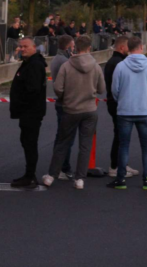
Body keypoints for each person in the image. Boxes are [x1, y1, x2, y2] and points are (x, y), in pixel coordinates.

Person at [43, 36, 105, 190]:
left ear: (74, 48)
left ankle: (51, 175)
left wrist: (66, 97)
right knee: (85, 145)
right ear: (89, 47)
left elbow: (58, 88)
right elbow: (102, 89)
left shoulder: (66, 66)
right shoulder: (96, 67)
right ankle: (80, 179)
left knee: (63, 143)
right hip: (90, 110)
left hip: (70, 109)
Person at [108, 36, 147, 190]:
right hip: (144, 110)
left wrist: (122, 100)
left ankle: (121, 179)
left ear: (128, 48)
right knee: (146, 146)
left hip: (125, 110)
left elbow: (114, 90)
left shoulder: (121, 66)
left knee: (124, 145)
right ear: (141, 47)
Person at [9, 37, 47, 188]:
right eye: (20, 46)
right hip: (27, 112)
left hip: (31, 112)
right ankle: (29, 174)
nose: (22, 49)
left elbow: (32, 90)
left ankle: (30, 176)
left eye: (25, 46)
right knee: (26, 142)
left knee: (30, 143)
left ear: (34, 47)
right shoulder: (28, 64)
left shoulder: (35, 65)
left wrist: (21, 104)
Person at [104, 36, 137, 178]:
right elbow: (119, 86)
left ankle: (121, 163)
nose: (130, 50)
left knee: (121, 135)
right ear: (122, 47)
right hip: (118, 104)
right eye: (128, 47)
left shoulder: (113, 62)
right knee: (120, 135)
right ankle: (115, 166)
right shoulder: (118, 63)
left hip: (115, 103)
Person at [48, 35, 77, 180]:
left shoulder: (56, 59)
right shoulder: (65, 62)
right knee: (66, 138)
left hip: (61, 102)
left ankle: (59, 166)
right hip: (66, 103)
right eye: (72, 46)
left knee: (61, 136)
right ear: (68, 47)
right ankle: (62, 167)